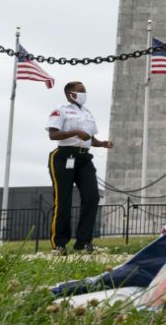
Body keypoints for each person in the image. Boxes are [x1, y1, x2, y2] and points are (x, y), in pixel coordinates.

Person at [45, 81, 113, 254]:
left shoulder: (87, 113)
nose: (84, 93)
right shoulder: (61, 109)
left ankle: (83, 242)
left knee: (92, 197)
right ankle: (59, 243)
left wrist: (102, 143)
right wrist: (74, 132)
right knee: (64, 200)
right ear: (70, 94)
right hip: (63, 157)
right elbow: (53, 134)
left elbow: (90, 138)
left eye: (85, 90)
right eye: (81, 91)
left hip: (84, 158)